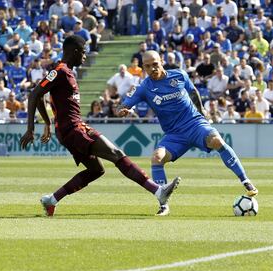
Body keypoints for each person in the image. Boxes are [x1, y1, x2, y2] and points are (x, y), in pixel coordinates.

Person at [19, 35, 179, 217]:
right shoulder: (60, 71)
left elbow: (39, 96)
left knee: (97, 170)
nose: (86, 56)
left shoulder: (67, 71)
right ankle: (158, 192)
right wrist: (31, 128)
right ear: (75, 51)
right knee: (116, 154)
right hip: (72, 129)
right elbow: (35, 94)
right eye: (85, 52)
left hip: (72, 129)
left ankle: (51, 200)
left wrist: (48, 123)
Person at [117, 50, 258, 216]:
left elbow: (193, 92)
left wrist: (202, 112)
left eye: (155, 64)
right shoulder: (143, 88)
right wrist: (122, 110)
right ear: (143, 68)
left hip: (195, 124)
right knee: (156, 157)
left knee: (217, 141)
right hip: (174, 135)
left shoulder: (179, 75)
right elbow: (124, 104)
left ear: (161, 61)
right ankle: (163, 204)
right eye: (148, 66)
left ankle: (245, 181)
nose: (153, 69)